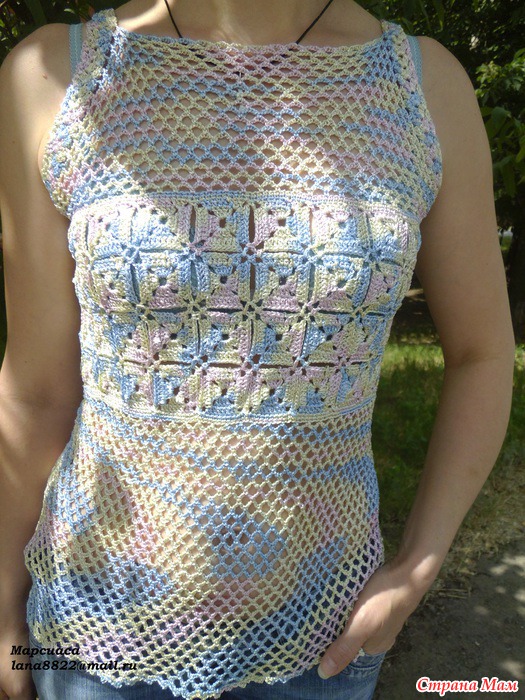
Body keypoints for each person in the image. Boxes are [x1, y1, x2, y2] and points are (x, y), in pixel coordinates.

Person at [0, 0, 515, 698]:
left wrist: (417, 565)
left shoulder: (422, 89)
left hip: (323, 636)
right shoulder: (57, 78)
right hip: (93, 635)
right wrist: (3, 606)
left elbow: (483, 352)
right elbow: (35, 390)